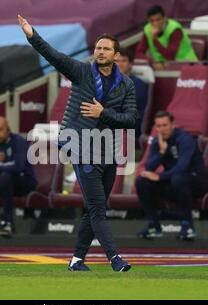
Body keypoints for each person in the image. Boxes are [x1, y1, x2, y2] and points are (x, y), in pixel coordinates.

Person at [18, 14, 138, 272]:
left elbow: (131, 120)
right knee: (98, 209)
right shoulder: (82, 71)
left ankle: (76, 260)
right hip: (81, 147)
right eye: (98, 47)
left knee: (96, 207)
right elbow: (54, 56)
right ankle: (115, 259)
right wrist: (32, 35)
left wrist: (102, 113)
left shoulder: (126, 84)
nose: (101, 51)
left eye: (106, 48)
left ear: (117, 55)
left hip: (108, 149)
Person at [135, 111, 208, 240]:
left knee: (178, 178)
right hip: (174, 182)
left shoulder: (185, 139)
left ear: (173, 124)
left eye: (164, 125)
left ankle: (187, 226)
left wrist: (160, 177)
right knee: (142, 181)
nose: (161, 129)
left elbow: (182, 167)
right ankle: (154, 225)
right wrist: (162, 152)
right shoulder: (157, 141)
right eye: (158, 126)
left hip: (197, 182)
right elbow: (149, 167)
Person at [135, 5, 198, 71]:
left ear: (165, 18)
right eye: (152, 21)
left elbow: (170, 56)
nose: (155, 23)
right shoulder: (147, 29)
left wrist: (154, 39)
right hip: (163, 65)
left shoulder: (175, 29)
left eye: (158, 20)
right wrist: (152, 61)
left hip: (186, 64)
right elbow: (138, 53)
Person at [116, 48, 149, 143]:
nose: (120, 64)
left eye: (123, 61)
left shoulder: (138, 84)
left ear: (130, 64)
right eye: (117, 61)